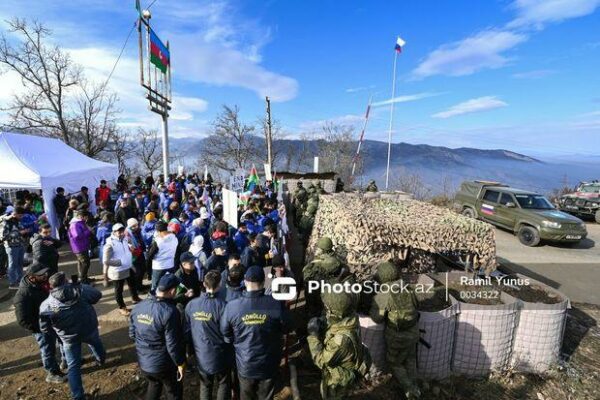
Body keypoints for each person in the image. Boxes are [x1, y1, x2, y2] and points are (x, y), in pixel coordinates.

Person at [221, 266, 292, 400]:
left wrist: (236, 342)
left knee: (246, 395)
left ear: (245, 281)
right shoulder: (275, 304)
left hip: (245, 363)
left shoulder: (232, 306)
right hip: (268, 363)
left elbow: (225, 332)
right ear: (264, 282)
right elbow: (288, 326)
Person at [39, 272, 106, 400]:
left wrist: (58, 334)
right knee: (96, 343)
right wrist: (80, 286)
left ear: (51, 287)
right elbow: (97, 295)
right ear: (65, 281)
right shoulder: (80, 290)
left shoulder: (46, 305)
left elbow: (44, 327)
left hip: (68, 338)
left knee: (73, 366)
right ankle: (100, 360)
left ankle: (78, 396)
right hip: (89, 328)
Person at [129, 274, 186, 400]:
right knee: (173, 392)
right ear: (172, 291)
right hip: (163, 365)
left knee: (154, 384)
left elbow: (132, 334)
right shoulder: (170, 312)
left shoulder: (138, 307)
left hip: (144, 362)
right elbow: (173, 345)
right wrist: (180, 362)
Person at [369, 262, 420, 399]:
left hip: (397, 336)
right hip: (413, 331)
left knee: (395, 362)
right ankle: (415, 385)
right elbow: (416, 304)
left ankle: (411, 391)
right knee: (410, 359)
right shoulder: (407, 287)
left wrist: (373, 305)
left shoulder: (384, 294)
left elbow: (377, 318)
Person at [307, 291, 371, 400]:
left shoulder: (340, 341)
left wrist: (313, 337)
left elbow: (322, 360)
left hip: (339, 378)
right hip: (345, 361)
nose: (325, 307)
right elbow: (336, 322)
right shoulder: (350, 315)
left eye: (327, 307)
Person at [13, 262, 66, 383]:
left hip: (54, 321)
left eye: (45, 272)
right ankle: (52, 373)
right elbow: (23, 320)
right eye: (42, 274)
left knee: (63, 340)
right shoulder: (23, 295)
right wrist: (41, 328)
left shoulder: (41, 283)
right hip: (41, 328)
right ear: (32, 277)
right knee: (48, 350)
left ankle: (66, 361)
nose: (46, 275)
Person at [185, 270, 232, 400]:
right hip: (220, 354)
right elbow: (228, 331)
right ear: (220, 285)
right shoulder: (224, 306)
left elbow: (187, 329)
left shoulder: (191, 305)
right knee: (223, 383)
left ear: (204, 285)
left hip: (201, 354)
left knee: (205, 385)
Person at [103, 223, 141, 316]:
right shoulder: (110, 244)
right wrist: (120, 263)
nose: (121, 232)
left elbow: (126, 250)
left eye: (122, 230)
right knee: (119, 290)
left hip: (128, 267)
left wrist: (130, 262)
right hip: (118, 271)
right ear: (114, 232)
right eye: (118, 231)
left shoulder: (124, 239)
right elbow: (106, 261)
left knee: (132, 284)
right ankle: (122, 307)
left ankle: (135, 298)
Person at [146, 221, 179, 293]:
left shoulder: (158, 241)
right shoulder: (175, 238)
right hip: (170, 265)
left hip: (159, 267)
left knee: (155, 287)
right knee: (169, 285)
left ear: (158, 231)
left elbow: (149, 255)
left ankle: (154, 302)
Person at [1, 206, 27, 288]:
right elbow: (3, 237)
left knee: (20, 264)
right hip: (11, 247)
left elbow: (21, 229)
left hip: (20, 245)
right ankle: (12, 283)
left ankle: (20, 280)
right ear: (15, 214)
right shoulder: (6, 222)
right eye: (20, 215)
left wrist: (24, 232)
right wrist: (19, 233)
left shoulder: (17, 221)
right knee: (12, 265)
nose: (21, 217)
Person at [67, 210, 93, 284]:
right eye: (85, 217)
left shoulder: (79, 222)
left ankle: (84, 277)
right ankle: (83, 280)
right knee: (85, 263)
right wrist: (88, 231)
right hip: (79, 247)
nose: (86, 219)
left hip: (82, 245)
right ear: (81, 216)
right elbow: (77, 236)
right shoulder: (75, 225)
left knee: (82, 263)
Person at [126, 218, 147, 292]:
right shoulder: (127, 233)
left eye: (136, 225)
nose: (136, 227)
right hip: (134, 255)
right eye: (133, 226)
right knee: (138, 272)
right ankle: (137, 288)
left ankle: (140, 285)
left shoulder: (138, 230)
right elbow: (127, 243)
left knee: (143, 269)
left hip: (140, 252)